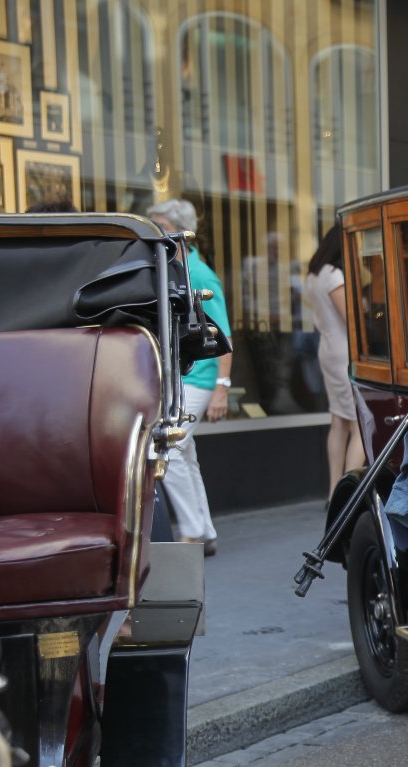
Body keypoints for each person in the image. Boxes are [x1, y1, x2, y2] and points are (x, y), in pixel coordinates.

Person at [148, 198, 233, 556]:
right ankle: (204, 530)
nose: (157, 234)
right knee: (184, 452)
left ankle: (193, 531)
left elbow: (222, 334)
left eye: (163, 227)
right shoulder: (174, 269)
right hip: (184, 378)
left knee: (166, 448)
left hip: (198, 378)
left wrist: (222, 388)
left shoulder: (198, 274)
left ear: (182, 232)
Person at [303, 224, 363, 493]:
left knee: (338, 420)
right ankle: (347, 494)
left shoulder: (314, 274)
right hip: (344, 352)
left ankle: (332, 491)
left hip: (327, 349)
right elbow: (351, 318)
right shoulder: (334, 275)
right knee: (359, 424)